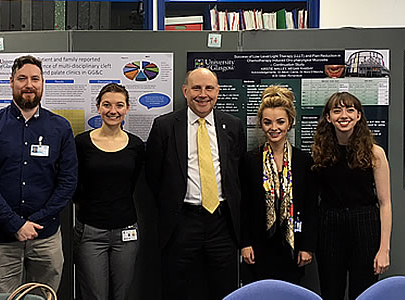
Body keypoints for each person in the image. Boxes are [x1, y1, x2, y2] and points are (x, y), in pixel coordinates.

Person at [0, 55, 78, 292]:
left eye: (35, 79)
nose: (29, 84)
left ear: (42, 83)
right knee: (3, 299)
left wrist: (36, 221)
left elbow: (68, 182)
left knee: (44, 297)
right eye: (22, 78)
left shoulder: (60, 127)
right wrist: (15, 224)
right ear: (11, 82)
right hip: (0, 240)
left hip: (45, 238)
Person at [145, 67, 245, 300]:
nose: (203, 94)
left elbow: (236, 174)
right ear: (185, 91)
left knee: (223, 289)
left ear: (217, 92)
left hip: (222, 223)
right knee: (178, 288)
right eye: (196, 88)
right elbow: (153, 176)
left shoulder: (232, 126)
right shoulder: (165, 126)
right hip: (181, 223)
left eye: (209, 88)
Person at [311, 92, 392, 300]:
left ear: (358, 116)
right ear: (328, 117)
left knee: (363, 294)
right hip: (329, 225)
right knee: (331, 292)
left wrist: (384, 249)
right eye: (336, 110)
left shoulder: (375, 153)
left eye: (349, 110)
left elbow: (385, 203)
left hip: (364, 225)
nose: (343, 115)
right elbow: (312, 201)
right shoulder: (319, 151)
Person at [73, 83, 145, 300]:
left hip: (126, 231)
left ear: (127, 108)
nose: (113, 111)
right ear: (98, 107)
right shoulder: (82, 143)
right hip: (90, 232)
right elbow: (76, 184)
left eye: (119, 105)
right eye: (107, 105)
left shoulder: (136, 145)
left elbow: (132, 184)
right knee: (95, 295)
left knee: (121, 295)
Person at [240, 85, 318, 284]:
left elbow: (311, 206)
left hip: (292, 244)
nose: (274, 128)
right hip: (258, 246)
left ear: (290, 123)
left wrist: (307, 246)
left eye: (280, 122)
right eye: (267, 122)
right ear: (261, 124)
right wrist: (245, 243)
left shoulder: (303, 161)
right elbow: (243, 206)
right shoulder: (250, 160)